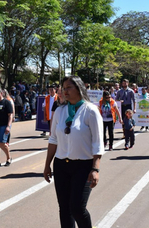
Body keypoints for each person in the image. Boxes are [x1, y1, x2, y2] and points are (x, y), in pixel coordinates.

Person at [43, 76, 104, 228]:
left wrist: (95, 169)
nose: (65, 91)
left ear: (79, 88)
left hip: (83, 166)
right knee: (64, 208)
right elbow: (53, 140)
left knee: (77, 208)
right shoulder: (59, 111)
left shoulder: (90, 111)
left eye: (69, 87)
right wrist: (47, 165)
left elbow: (98, 142)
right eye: (63, 88)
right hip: (61, 165)